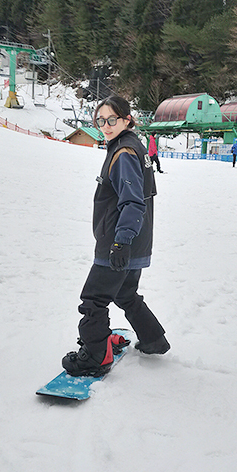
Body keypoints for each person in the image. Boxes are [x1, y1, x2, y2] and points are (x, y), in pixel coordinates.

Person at [62, 96, 170, 377]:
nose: (106, 126)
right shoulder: (133, 146)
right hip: (137, 241)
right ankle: (153, 339)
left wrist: (120, 242)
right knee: (125, 293)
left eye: (112, 120)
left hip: (120, 243)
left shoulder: (123, 154)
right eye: (101, 121)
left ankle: (94, 357)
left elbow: (133, 202)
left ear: (126, 120)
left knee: (93, 300)